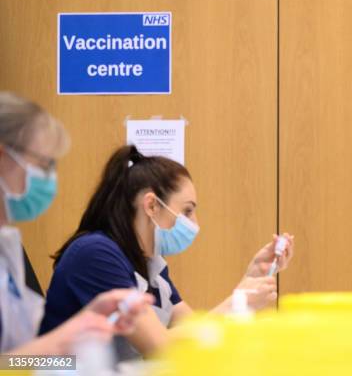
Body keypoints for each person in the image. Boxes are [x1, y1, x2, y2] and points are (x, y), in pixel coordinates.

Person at [40, 145, 295, 360]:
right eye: (187, 211)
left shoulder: (150, 266)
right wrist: (239, 302)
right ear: (151, 205)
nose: (195, 223)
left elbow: (193, 333)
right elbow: (160, 347)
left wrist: (250, 279)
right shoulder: (96, 254)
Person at [0, 92, 152, 354]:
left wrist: (84, 327)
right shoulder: (95, 251)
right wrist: (61, 342)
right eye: (43, 164)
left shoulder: (7, 249)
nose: (49, 178)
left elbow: (14, 364)